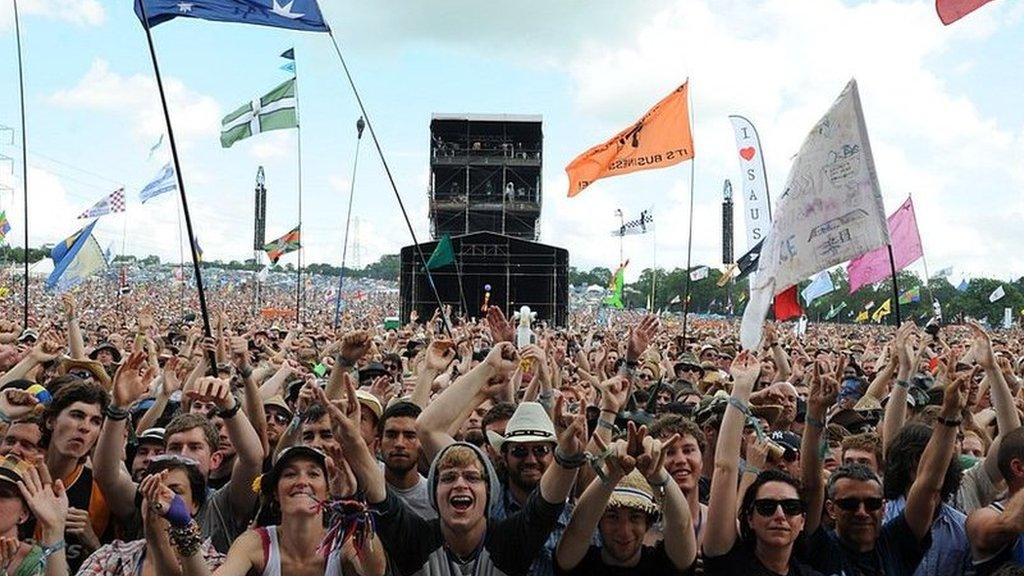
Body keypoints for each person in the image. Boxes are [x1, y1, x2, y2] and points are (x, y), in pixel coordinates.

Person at [349, 343, 587, 576]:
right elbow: (423, 431)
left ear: (488, 493)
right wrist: (487, 367)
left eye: (472, 477)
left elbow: (546, 505)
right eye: (449, 477)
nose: (460, 484)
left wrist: (568, 455)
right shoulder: (418, 540)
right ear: (433, 492)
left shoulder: (510, 542)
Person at [94, 354, 264, 554]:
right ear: (164, 453)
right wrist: (118, 407)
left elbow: (253, 458)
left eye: (195, 447)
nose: (182, 455)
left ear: (215, 459)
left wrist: (228, 404)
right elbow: (106, 475)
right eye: (175, 447)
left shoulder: (223, 505)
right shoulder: (145, 497)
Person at [160, 444, 386, 576]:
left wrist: (351, 505)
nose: (302, 481)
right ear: (276, 493)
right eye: (290, 474)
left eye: (314, 474)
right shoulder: (254, 543)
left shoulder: (343, 542)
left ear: (328, 492)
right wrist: (183, 527)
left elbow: (375, 570)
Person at [702, 350, 819, 576]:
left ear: (803, 521)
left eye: (791, 507)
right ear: (749, 518)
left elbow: (814, 485)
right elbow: (725, 468)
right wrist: (742, 388)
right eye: (766, 507)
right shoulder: (728, 563)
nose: (779, 515)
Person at [555, 422, 696, 575]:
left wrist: (657, 473)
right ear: (598, 521)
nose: (624, 531)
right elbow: (578, 527)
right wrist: (611, 473)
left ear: (648, 523)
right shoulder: (579, 561)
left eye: (635, 517)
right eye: (612, 517)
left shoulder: (662, 564)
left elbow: (682, 526)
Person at [77, 455, 226, 575]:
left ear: (195, 505)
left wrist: (178, 530)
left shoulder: (215, 563)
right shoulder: (110, 556)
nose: (159, 499)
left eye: (175, 491)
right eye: (152, 489)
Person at [379, 401, 436, 519]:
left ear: (422, 443)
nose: (399, 444)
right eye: (391, 435)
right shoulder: (364, 488)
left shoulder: (435, 498)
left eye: (410, 436)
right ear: (378, 443)